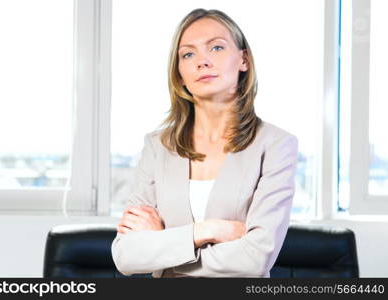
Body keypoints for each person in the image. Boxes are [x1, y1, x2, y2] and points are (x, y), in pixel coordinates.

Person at [111, 8, 298, 278]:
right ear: (179, 74)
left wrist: (163, 243)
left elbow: (255, 259)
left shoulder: (276, 145)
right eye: (188, 54)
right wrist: (207, 231)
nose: (202, 61)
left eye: (217, 48)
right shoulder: (157, 146)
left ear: (243, 59)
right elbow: (126, 256)